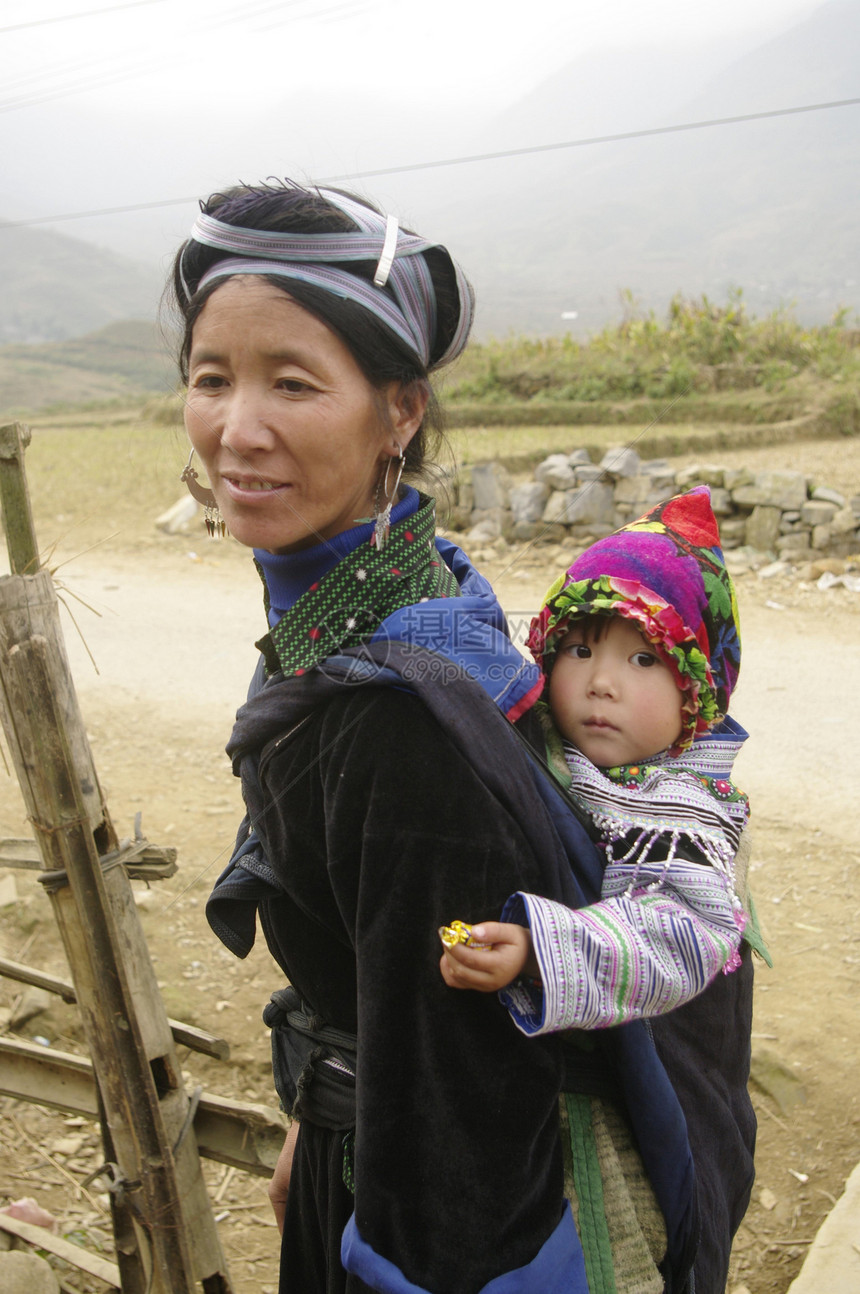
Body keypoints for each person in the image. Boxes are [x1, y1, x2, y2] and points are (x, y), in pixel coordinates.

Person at [169, 178, 604, 1294]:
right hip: (363, 1147)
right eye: (211, 377)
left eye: (293, 382)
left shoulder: (392, 717)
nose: (237, 427)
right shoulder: (399, 593)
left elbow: (463, 1116)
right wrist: (323, 1113)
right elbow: (387, 973)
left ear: (398, 412)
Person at [441, 487, 764, 1292]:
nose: (601, 683)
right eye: (578, 650)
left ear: (698, 690)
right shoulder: (544, 749)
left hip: (643, 1098)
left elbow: (680, 931)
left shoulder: (684, 812)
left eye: (643, 657)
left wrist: (543, 950)